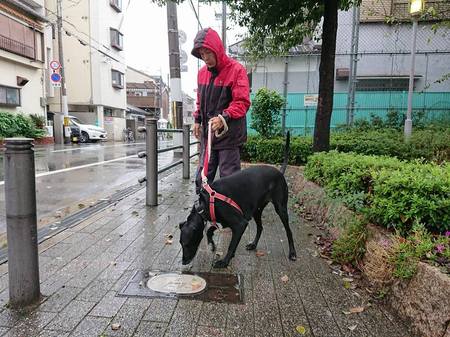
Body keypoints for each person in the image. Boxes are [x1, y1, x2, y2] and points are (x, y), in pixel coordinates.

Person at [191, 27, 251, 193]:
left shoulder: (236, 70)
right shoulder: (201, 73)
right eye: (202, 54)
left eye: (208, 53)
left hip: (229, 136)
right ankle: (201, 213)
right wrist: (197, 120)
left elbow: (242, 102)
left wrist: (224, 117)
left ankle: (233, 217)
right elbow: (200, 100)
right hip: (208, 136)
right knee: (202, 178)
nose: (206, 58)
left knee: (229, 180)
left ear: (217, 49)